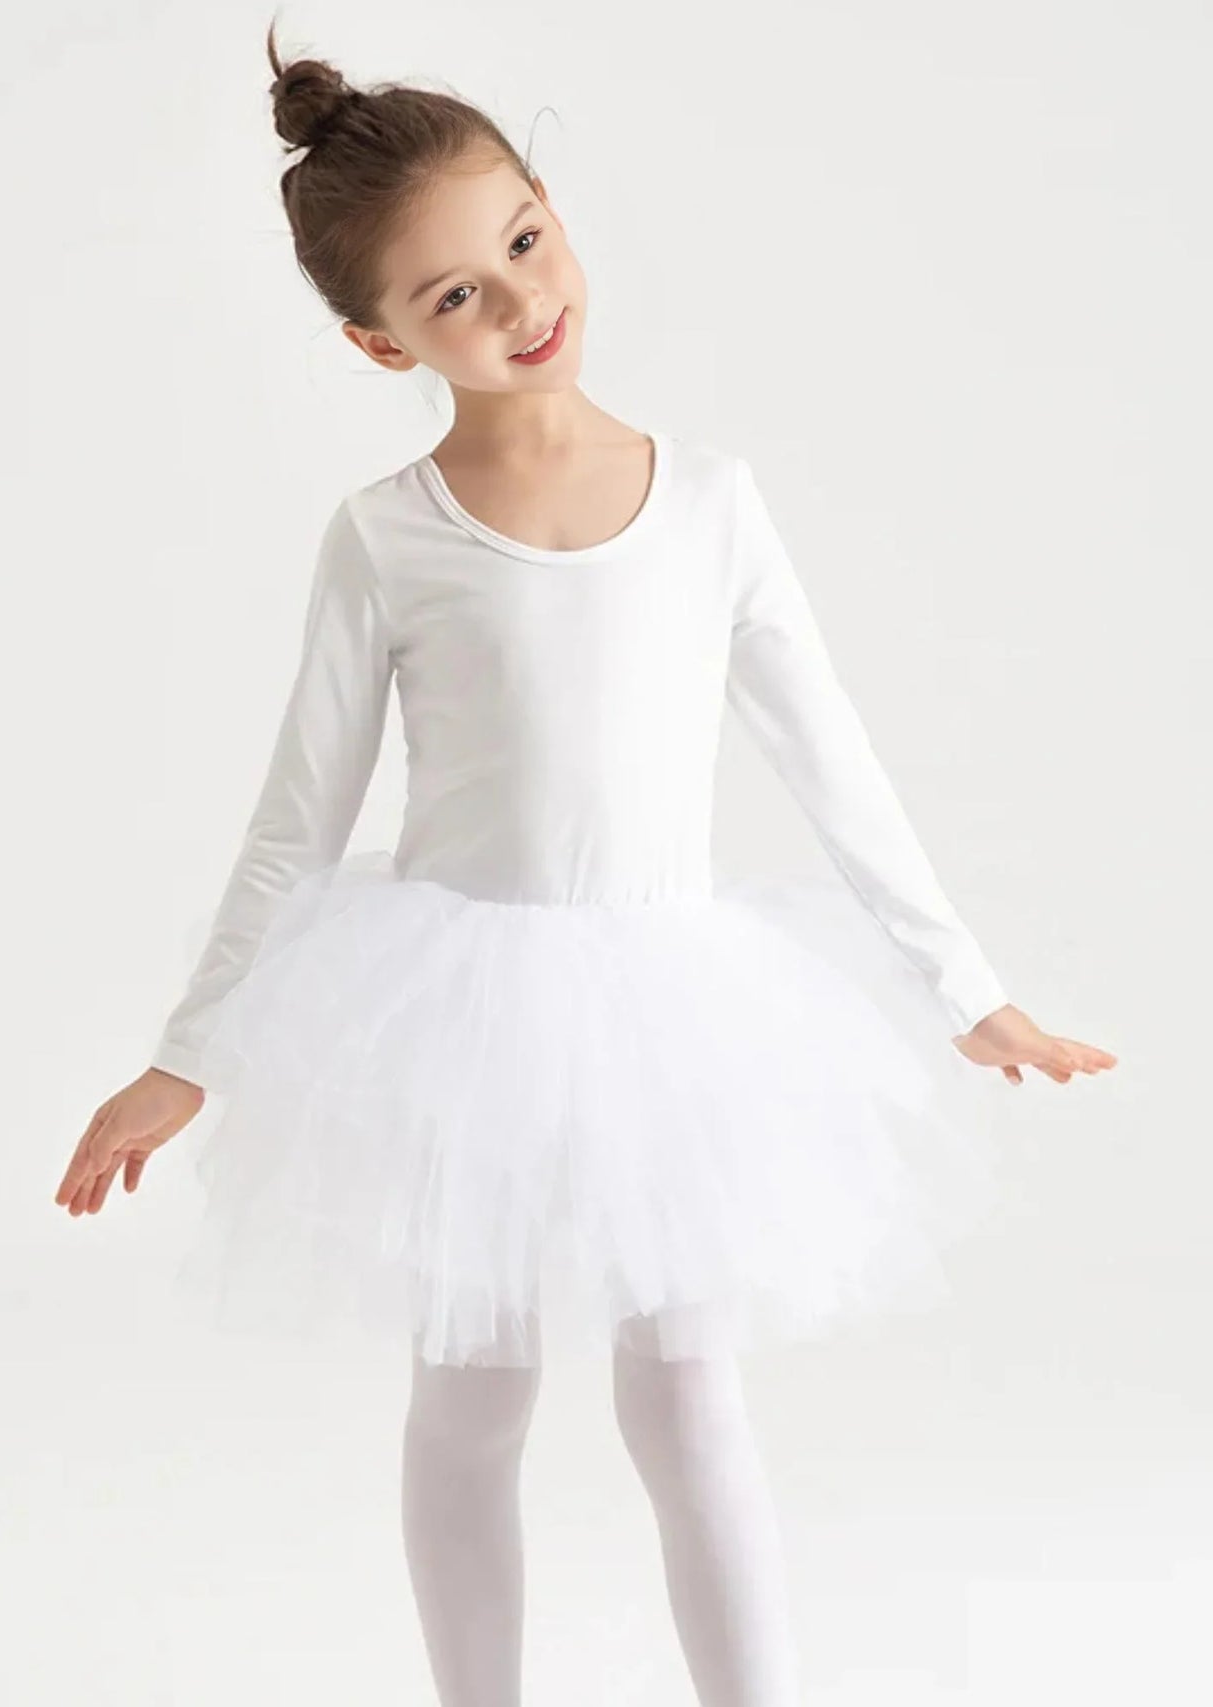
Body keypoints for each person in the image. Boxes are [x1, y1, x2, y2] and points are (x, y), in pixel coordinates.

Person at [54, 26, 1117, 1707]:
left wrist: (968, 990)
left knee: (688, 1396)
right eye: (453, 299)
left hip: (672, 1006)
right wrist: (187, 1057)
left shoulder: (710, 501)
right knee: (473, 1402)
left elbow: (831, 758)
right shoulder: (387, 536)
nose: (518, 304)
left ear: (553, 205)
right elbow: (295, 820)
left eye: (522, 245)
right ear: (373, 337)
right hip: (454, 1013)